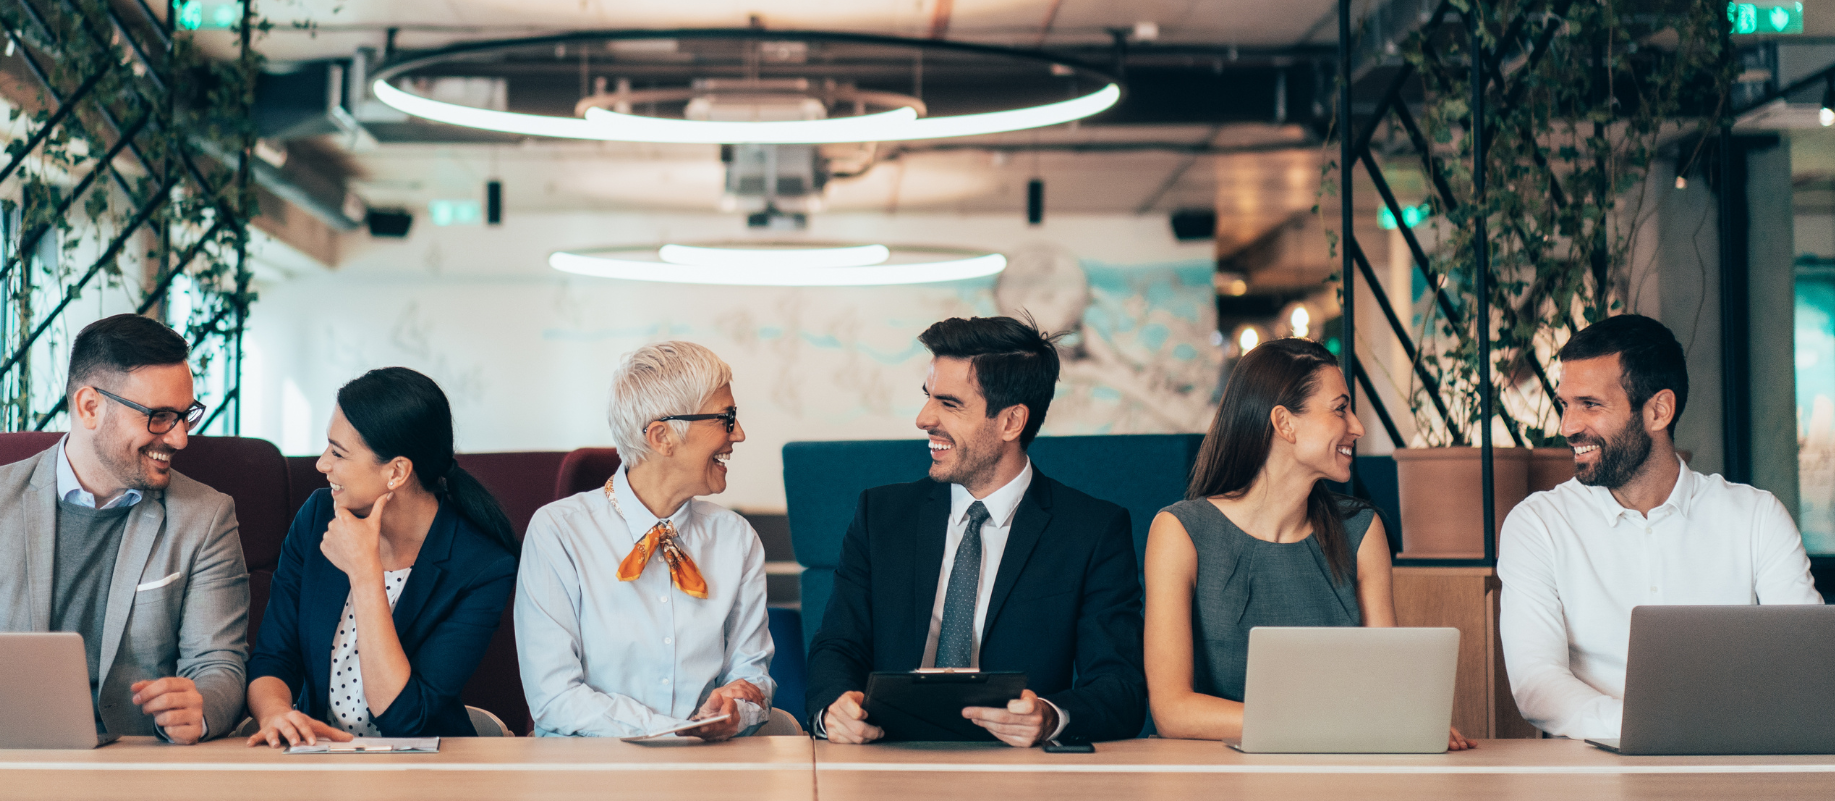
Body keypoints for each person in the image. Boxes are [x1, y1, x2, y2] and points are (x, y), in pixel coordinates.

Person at [0, 313, 248, 742]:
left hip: (137, 765)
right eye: (159, 417)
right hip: (0, 758)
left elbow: (219, 666)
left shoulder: (206, 517)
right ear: (90, 407)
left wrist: (201, 707)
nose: (179, 438)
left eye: (185, 415)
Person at [807, 315, 1147, 746]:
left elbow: (1120, 687)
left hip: (1017, 772)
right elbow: (838, 646)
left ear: (1011, 422)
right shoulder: (881, 514)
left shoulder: (1092, 530)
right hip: (885, 755)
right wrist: (833, 710)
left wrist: (1051, 717)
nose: (923, 418)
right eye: (928, 397)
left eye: (949, 404)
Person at [1499, 314, 1822, 740]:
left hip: (1735, 762)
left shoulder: (1756, 517)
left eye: (1590, 405)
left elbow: (1807, 662)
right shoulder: (1537, 525)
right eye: (1565, 404)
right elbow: (1536, 684)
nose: (1568, 426)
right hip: (1594, 775)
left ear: (1659, 410)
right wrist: (1649, 728)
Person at [1144, 338, 1472, 749]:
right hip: (1218, 777)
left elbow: (1388, 694)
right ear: (1285, 423)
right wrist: (1336, 722)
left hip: (1339, 774)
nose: (1357, 427)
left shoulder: (1361, 530)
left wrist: (1406, 720)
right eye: (1340, 409)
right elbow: (1173, 710)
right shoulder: (1181, 531)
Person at [245, 367, 521, 745]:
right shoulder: (317, 518)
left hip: (424, 770)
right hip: (315, 758)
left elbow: (407, 721)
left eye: (338, 453)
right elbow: (273, 657)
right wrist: (278, 714)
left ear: (396, 472)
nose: (322, 464)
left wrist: (364, 574)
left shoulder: (482, 567)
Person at [514, 341, 776, 738]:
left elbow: (753, 677)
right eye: (726, 418)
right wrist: (678, 731)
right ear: (661, 436)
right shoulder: (558, 532)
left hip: (709, 774)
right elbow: (554, 699)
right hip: (585, 777)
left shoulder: (736, 538)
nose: (738, 433)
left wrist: (736, 708)